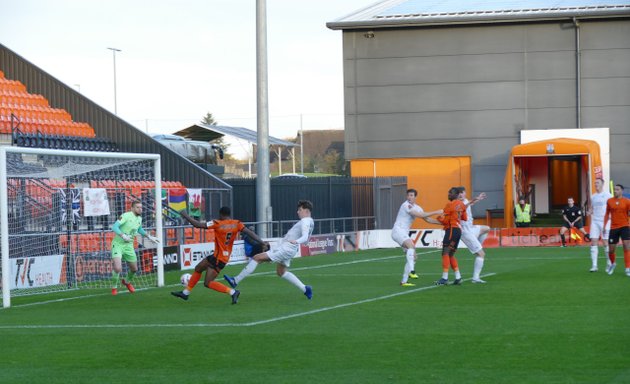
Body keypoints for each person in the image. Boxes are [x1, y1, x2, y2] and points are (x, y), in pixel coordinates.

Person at [171, 207, 267, 304]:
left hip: (218, 259)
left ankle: (233, 292)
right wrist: (262, 242)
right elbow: (250, 233)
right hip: (220, 257)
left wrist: (186, 215)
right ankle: (185, 293)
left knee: (208, 283)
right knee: (198, 268)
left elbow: (197, 225)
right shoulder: (237, 223)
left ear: (221, 214)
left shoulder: (217, 223)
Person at [224, 200, 314, 300]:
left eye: (300, 210)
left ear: (306, 210)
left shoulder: (305, 221)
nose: (298, 212)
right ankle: (305, 289)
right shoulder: (311, 221)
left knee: (257, 258)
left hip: (287, 248)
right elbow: (306, 240)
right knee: (281, 272)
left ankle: (235, 280)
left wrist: (296, 241)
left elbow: (305, 237)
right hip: (289, 248)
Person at [391, 188, 443, 287]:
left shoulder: (418, 207)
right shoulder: (406, 205)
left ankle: (404, 282)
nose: (409, 197)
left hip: (403, 232)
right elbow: (419, 215)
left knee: (414, 257)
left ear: (415, 197)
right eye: (408, 195)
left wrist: (441, 223)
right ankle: (412, 271)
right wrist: (437, 211)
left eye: (411, 195)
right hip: (398, 230)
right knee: (411, 246)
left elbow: (427, 219)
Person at [110, 200, 159, 296]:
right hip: (118, 244)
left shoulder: (139, 219)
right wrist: (123, 235)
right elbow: (114, 227)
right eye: (138, 207)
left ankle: (127, 282)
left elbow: (139, 229)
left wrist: (149, 237)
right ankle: (114, 287)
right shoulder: (125, 216)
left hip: (129, 246)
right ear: (132, 208)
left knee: (134, 269)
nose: (140, 209)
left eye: (141, 207)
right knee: (118, 268)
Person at [435, 187, 468, 286]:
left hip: (451, 230)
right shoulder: (462, 205)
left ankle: (444, 278)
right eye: (448, 193)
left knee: (445, 252)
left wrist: (439, 218)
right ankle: (458, 277)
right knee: (450, 255)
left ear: (456, 195)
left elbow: (445, 220)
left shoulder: (449, 204)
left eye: (451, 193)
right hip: (458, 230)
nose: (449, 194)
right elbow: (464, 218)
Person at [457, 187, 489, 283]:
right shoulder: (457, 203)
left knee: (486, 228)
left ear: (465, 193)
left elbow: (470, 203)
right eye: (459, 193)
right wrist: (474, 199)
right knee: (481, 254)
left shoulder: (466, 200)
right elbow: (465, 206)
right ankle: (475, 278)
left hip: (471, 228)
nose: (460, 194)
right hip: (465, 231)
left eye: (462, 192)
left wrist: (478, 198)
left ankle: (477, 247)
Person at [603, 184, 630, 276]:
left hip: (625, 226)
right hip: (613, 227)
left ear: (622, 191)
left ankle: (627, 268)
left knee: (626, 246)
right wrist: (604, 226)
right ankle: (613, 264)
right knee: (611, 250)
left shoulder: (627, 201)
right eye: (614, 189)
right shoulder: (609, 201)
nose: (615, 191)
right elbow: (607, 214)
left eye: (617, 189)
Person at [586, 178, 612, 272]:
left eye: (597, 182)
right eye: (595, 183)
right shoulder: (593, 196)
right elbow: (592, 208)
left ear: (602, 184)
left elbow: (612, 208)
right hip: (595, 221)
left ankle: (609, 263)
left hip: (605, 221)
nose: (595, 184)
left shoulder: (608, 195)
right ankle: (594, 265)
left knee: (605, 242)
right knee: (593, 242)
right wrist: (589, 212)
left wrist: (610, 217)